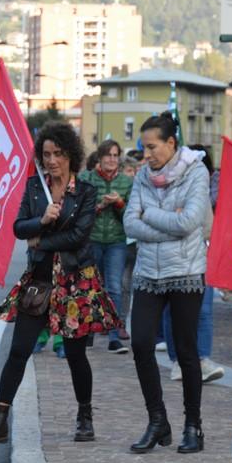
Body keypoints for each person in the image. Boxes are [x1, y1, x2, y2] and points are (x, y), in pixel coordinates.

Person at [0, 121, 120, 446]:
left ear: (71, 155)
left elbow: (78, 236)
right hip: (39, 283)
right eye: (46, 155)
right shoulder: (34, 187)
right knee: (18, 351)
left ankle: (85, 416)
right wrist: (40, 221)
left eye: (58, 154)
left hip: (75, 284)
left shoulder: (85, 192)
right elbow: (18, 227)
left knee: (75, 354)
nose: (52, 161)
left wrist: (41, 241)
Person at [123, 111, 210, 454]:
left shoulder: (196, 172)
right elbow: (130, 223)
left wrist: (152, 218)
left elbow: (190, 222)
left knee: (186, 352)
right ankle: (157, 420)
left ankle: (194, 425)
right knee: (141, 343)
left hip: (186, 271)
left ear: (171, 143)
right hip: (148, 272)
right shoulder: (143, 176)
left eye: (152, 147)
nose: (146, 155)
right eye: (144, 148)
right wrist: (166, 224)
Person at [164, 145, 224, 383]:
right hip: (173, 255)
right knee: (173, 311)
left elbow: (208, 223)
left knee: (205, 310)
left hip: (201, 253)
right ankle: (177, 360)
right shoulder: (166, 187)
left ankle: (203, 358)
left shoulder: (202, 191)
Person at [80, 140, 133, 352]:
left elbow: (130, 216)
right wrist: (100, 206)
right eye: (108, 155)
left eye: (115, 155)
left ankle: (113, 336)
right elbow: (80, 213)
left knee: (114, 287)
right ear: (100, 158)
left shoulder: (126, 182)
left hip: (116, 241)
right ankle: (88, 331)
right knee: (91, 287)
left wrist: (119, 203)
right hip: (91, 240)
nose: (112, 159)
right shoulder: (86, 179)